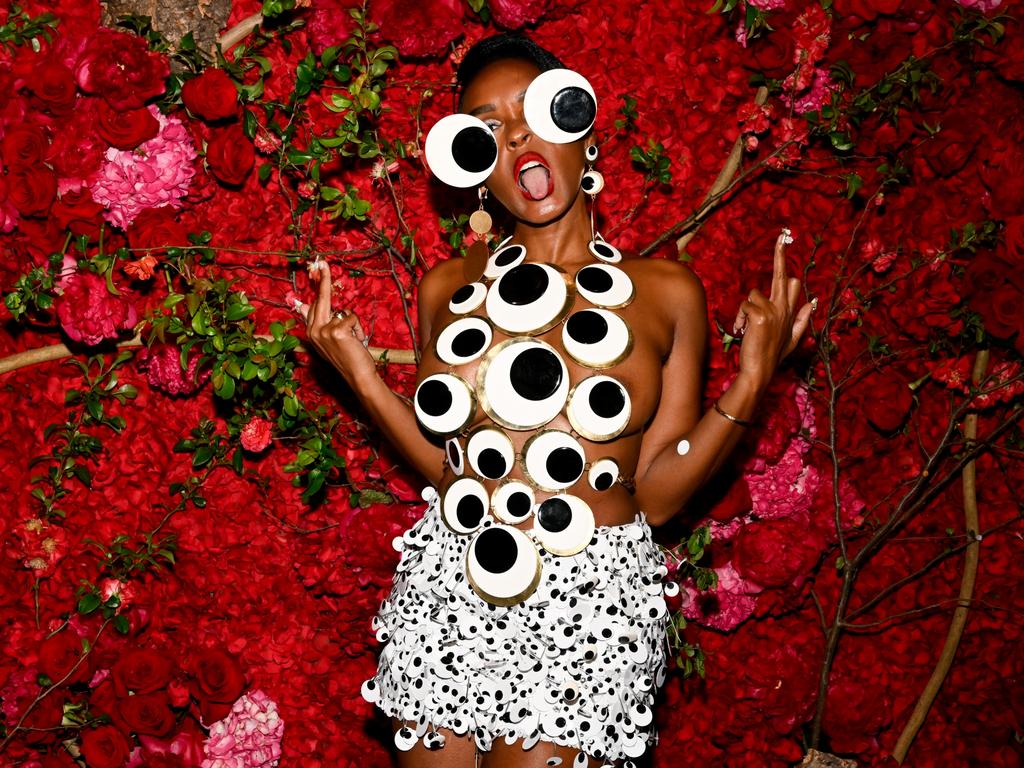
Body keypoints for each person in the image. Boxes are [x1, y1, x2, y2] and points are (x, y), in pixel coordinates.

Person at [301, 33, 812, 768]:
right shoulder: (445, 290)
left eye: (531, 111)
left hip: (589, 603)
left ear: (578, 126)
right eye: (486, 127)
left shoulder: (667, 294)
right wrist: (360, 376)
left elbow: (660, 499)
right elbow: (450, 476)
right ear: (473, 167)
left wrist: (751, 382)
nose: (513, 136)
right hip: (448, 586)